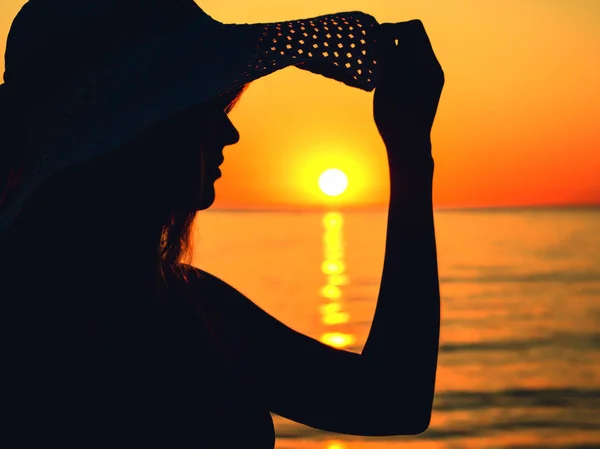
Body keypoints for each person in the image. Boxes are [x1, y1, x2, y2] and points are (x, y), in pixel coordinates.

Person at [0, 0, 444, 447]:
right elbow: (390, 398)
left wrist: (409, 148)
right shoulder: (40, 331)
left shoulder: (184, 300)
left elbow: (390, 398)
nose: (228, 131)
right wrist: (409, 156)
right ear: (139, 126)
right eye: (203, 103)